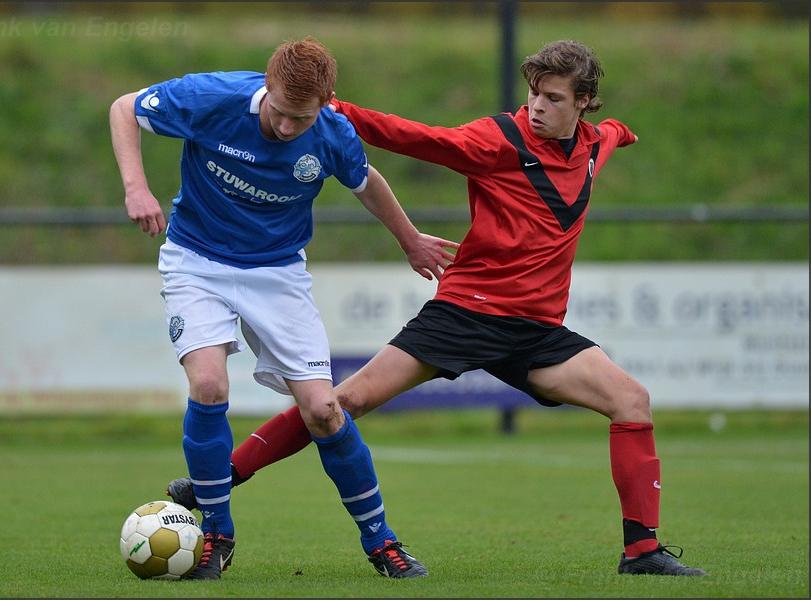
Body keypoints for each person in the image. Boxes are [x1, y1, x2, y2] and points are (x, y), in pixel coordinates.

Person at [167, 39, 708, 577]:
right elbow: (421, 139)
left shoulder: (594, 143)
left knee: (632, 400)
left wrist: (624, 132)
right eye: (533, 93)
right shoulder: (499, 140)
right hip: (467, 313)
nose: (537, 106)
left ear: (585, 102)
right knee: (342, 402)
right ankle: (220, 478)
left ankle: (642, 552)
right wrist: (340, 110)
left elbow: (614, 133)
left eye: (553, 98)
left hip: (537, 330)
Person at [110, 37, 458, 580]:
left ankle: (381, 542)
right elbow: (125, 107)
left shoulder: (332, 132)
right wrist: (136, 187)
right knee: (208, 386)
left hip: (277, 273)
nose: (289, 128)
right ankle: (217, 538)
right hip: (196, 261)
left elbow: (367, 184)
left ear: (327, 101)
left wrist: (410, 239)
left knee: (324, 411)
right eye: (280, 112)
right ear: (265, 86)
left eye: (303, 117)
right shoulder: (214, 97)